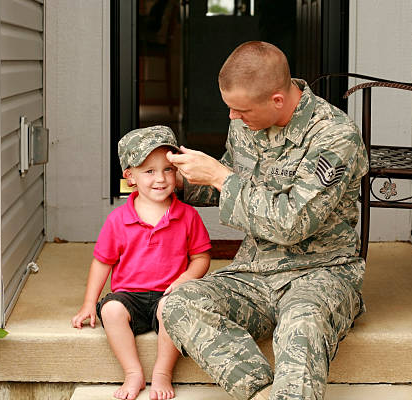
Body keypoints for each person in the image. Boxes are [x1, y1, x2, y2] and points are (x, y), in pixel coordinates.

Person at [163, 41, 369, 400]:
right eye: (229, 108)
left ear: (276, 99)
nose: (232, 118)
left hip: (319, 273)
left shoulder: (335, 136)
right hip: (254, 275)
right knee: (179, 302)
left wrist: (219, 177)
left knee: (301, 324)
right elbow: (233, 186)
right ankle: (260, 393)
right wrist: (177, 181)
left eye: (240, 110)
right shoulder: (245, 125)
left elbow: (291, 222)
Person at [71, 126, 212, 400]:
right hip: (130, 297)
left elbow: (201, 257)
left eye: (168, 169)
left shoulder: (187, 216)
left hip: (170, 294)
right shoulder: (118, 220)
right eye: (149, 171)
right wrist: (89, 303)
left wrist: (185, 279)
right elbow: (102, 262)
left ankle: (162, 373)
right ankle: (133, 372)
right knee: (111, 310)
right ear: (130, 176)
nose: (160, 179)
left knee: (173, 311)